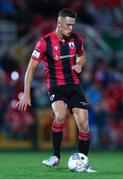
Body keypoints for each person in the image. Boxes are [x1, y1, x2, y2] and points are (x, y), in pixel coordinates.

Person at [16, 8, 96, 172]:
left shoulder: (76, 39)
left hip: (74, 85)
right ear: (59, 24)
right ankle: (56, 156)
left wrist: (80, 63)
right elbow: (31, 68)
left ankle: (83, 163)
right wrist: (26, 93)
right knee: (60, 115)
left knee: (84, 125)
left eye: (73, 25)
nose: (71, 28)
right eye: (68, 25)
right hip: (55, 85)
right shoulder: (44, 42)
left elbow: (82, 54)